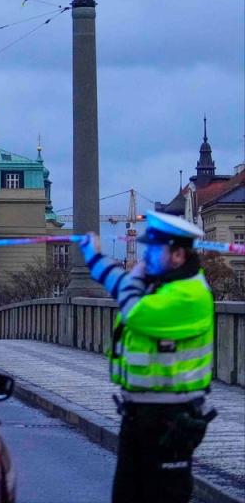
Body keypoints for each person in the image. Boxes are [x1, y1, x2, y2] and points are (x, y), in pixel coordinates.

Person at [76, 211, 216, 503]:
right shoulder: (163, 285)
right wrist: (96, 260)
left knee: (161, 496)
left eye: (153, 250)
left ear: (177, 255)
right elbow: (125, 288)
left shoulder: (188, 294)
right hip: (140, 413)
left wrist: (131, 273)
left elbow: (134, 310)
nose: (145, 256)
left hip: (171, 419)